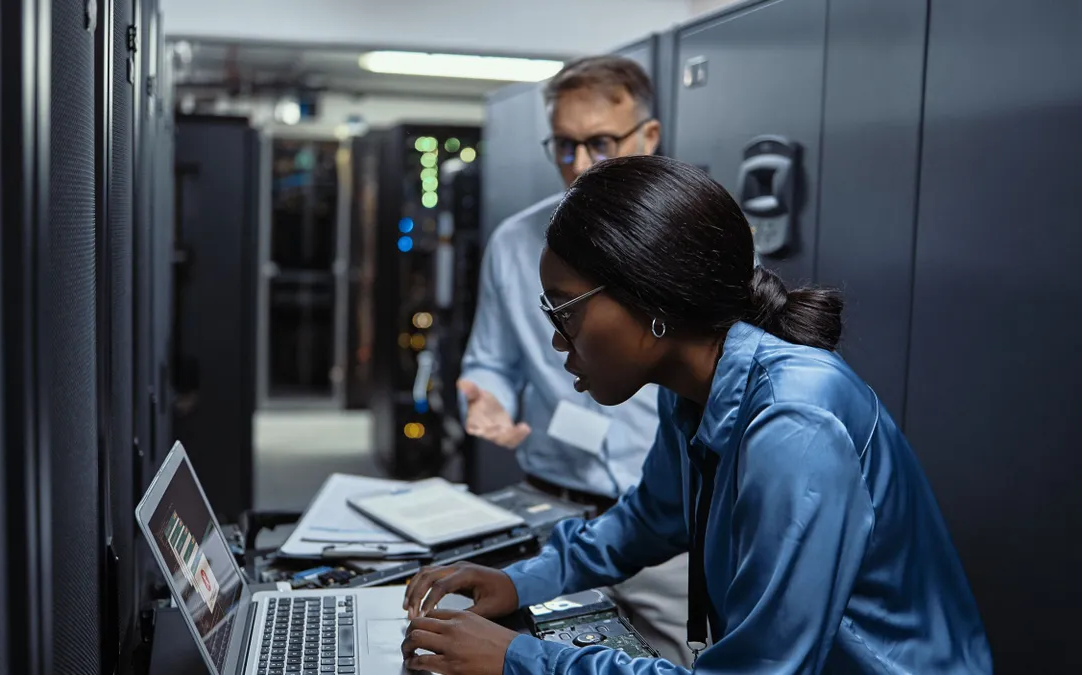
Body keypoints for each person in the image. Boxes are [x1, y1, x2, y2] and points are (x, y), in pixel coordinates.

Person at [401, 156, 994, 675]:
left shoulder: (796, 421)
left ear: (651, 302)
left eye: (565, 311)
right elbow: (647, 521)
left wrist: (520, 659)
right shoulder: (691, 387)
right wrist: (520, 580)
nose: (557, 341)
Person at [455, 55, 693, 664]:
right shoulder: (515, 242)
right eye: (564, 146)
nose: (580, 166)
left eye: (599, 144)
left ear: (649, 137)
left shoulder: (692, 240)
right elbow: (491, 362)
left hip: (664, 529)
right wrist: (487, 400)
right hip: (555, 512)